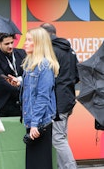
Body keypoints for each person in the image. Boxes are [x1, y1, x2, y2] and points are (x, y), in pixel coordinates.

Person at [8, 27, 59, 169]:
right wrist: (20, 81)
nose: (25, 43)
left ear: (38, 43)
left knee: (39, 163)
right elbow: (33, 86)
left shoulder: (44, 66)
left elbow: (43, 97)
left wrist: (35, 123)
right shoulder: (31, 64)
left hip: (40, 123)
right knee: (33, 163)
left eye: (29, 40)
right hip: (33, 122)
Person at [40, 22, 79, 169]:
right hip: (68, 98)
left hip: (58, 101)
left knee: (58, 139)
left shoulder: (51, 51)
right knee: (61, 136)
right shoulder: (70, 50)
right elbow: (77, 76)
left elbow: (47, 79)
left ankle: (70, 167)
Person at [0, 32, 26, 117]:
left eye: (12, 42)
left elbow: (29, 73)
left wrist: (21, 82)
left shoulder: (22, 53)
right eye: (7, 44)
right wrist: (22, 86)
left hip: (20, 102)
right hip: (2, 103)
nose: (10, 46)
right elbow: (1, 79)